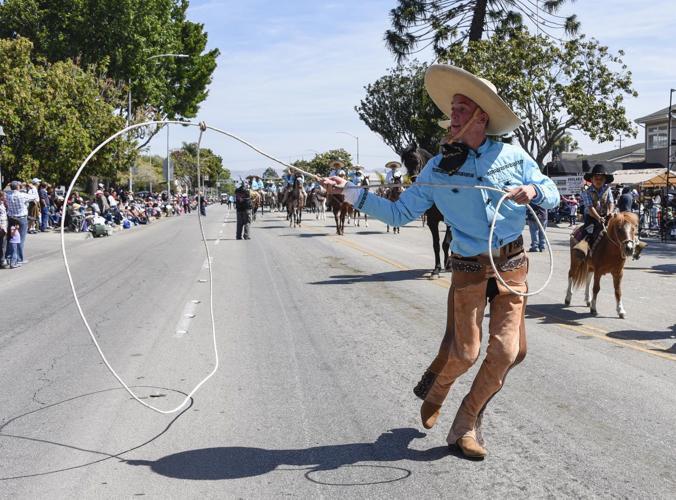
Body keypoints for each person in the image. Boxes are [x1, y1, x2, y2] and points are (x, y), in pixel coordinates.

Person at [322, 64, 559, 459]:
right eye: (453, 110)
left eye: (462, 110)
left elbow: (551, 192)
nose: (454, 118)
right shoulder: (436, 168)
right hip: (468, 266)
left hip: (513, 263)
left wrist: (534, 189)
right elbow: (399, 214)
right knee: (466, 353)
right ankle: (440, 385)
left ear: (482, 116)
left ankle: (465, 425)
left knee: (506, 352)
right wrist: (351, 193)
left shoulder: (515, 156)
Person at [573, 164, 615, 258]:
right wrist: (599, 218)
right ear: (591, 179)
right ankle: (582, 250)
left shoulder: (608, 189)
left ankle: (629, 247)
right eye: (596, 178)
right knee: (588, 232)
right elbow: (590, 207)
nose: (599, 181)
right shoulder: (586, 191)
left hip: (606, 215)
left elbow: (611, 202)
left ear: (605, 180)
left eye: (601, 179)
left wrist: (610, 212)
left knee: (619, 229)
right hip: (591, 217)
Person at [5, 180, 38, 265]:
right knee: (20, 239)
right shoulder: (22, 195)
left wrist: (9, 185)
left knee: (11, 238)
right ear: (18, 187)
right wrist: (33, 187)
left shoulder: (7, 195)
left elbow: (4, 190)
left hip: (11, 218)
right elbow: (34, 196)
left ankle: (8, 257)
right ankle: (19, 259)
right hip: (21, 218)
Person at [0, 191, 8, 269]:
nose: (5, 197)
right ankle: (2, 261)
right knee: (2, 245)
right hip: (1, 228)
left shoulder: (2, 204)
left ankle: (2, 260)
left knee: (3, 244)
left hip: (4, 226)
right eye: (4, 196)